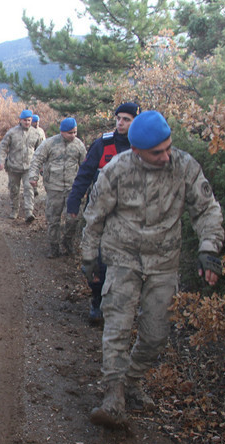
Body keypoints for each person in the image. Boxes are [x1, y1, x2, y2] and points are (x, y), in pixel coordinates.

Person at [80, 110, 224, 429]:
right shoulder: (117, 170)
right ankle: (113, 395)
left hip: (163, 262)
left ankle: (132, 381)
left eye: (168, 147)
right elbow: (95, 216)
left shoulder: (183, 166)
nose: (165, 155)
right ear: (137, 150)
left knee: (156, 335)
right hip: (123, 258)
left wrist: (209, 249)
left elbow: (207, 209)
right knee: (116, 327)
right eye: (157, 152)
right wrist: (89, 257)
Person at [67, 102, 139, 324]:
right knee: (97, 261)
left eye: (126, 119)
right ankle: (97, 300)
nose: (120, 123)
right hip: (100, 214)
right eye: (118, 118)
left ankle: (120, 305)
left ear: (135, 121)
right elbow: (84, 174)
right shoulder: (102, 144)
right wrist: (73, 202)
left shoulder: (141, 146)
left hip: (130, 218)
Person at [28, 117, 87, 257]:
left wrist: (85, 186)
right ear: (62, 132)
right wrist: (33, 176)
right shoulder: (50, 144)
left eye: (75, 132)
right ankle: (53, 247)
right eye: (70, 133)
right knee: (53, 219)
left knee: (73, 218)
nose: (73, 135)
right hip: (54, 187)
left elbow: (85, 166)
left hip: (72, 188)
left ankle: (68, 242)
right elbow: (37, 159)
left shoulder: (79, 145)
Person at [0, 109, 43, 222]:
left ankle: (29, 212)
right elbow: (3, 147)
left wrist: (41, 165)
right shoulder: (12, 133)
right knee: (14, 189)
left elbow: (41, 150)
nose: (27, 122)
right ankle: (14, 210)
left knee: (29, 188)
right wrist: (1, 161)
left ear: (31, 120)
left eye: (29, 120)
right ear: (20, 120)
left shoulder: (36, 133)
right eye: (24, 120)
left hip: (29, 168)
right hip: (13, 167)